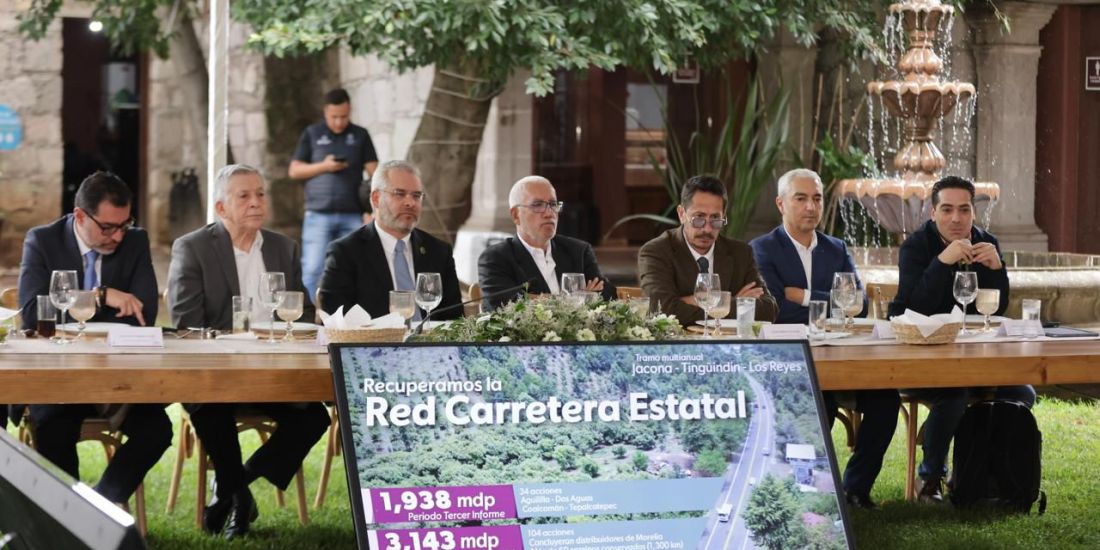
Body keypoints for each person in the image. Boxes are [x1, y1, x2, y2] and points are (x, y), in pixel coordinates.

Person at [167, 164, 330, 539]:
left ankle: (232, 486)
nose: (256, 202)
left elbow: (303, 311)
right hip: (215, 373)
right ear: (221, 208)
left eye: (260, 194)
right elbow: (186, 323)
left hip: (273, 373)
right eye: (244, 196)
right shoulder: (193, 248)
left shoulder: (282, 247)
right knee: (211, 410)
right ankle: (240, 502)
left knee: (313, 418)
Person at [16, 171, 171, 506]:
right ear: (80, 216)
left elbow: (143, 314)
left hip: (118, 378)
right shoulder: (43, 241)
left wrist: (71, 310)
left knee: (157, 430)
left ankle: (99, 505)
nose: (118, 236)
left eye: (125, 224)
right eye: (108, 227)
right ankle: (66, 516)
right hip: (58, 376)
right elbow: (33, 314)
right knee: (54, 428)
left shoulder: (135, 241)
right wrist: (101, 296)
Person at [750, 168, 898, 508]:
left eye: (816, 198)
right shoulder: (761, 250)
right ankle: (800, 490)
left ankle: (855, 488)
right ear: (781, 204)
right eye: (801, 198)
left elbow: (858, 306)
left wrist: (802, 296)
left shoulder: (835, 248)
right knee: (821, 400)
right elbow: (774, 310)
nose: (811, 207)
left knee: (886, 399)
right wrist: (829, 303)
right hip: (792, 362)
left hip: (844, 361)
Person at [888, 175, 1036, 503]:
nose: (956, 218)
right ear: (933, 213)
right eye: (947, 209)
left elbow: (995, 307)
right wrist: (943, 261)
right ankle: (930, 478)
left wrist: (997, 268)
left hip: (973, 358)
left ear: (973, 212)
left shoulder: (986, 242)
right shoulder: (916, 247)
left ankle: (977, 471)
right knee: (954, 395)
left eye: (964, 210)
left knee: (1022, 393)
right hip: (920, 355)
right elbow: (915, 306)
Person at [319, 160, 462, 320]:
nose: (410, 203)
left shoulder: (438, 251)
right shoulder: (345, 252)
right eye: (399, 194)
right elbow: (336, 320)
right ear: (376, 198)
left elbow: (454, 317)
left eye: (416, 196)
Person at [638, 175, 778, 327]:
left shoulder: (741, 253)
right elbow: (662, 310)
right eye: (699, 218)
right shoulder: (656, 252)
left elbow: (768, 310)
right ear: (681, 214)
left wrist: (692, 301)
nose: (707, 229)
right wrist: (732, 303)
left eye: (715, 219)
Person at [289, 88, 379, 304]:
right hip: (318, 214)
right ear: (325, 112)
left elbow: (376, 175)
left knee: (357, 267)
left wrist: (372, 211)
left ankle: (354, 315)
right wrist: (325, 166)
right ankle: (309, 316)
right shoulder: (312, 133)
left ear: (350, 111)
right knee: (312, 268)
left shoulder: (360, 135)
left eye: (344, 116)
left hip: (353, 214)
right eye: (334, 117)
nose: (339, 122)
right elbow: (294, 171)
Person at [478, 176, 617, 310]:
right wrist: (576, 299)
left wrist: (535, 299)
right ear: (516, 215)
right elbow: (503, 305)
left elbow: (607, 294)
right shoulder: (496, 258)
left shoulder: (578, 251)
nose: (549, 213)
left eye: (553, 204)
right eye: (537, 205)